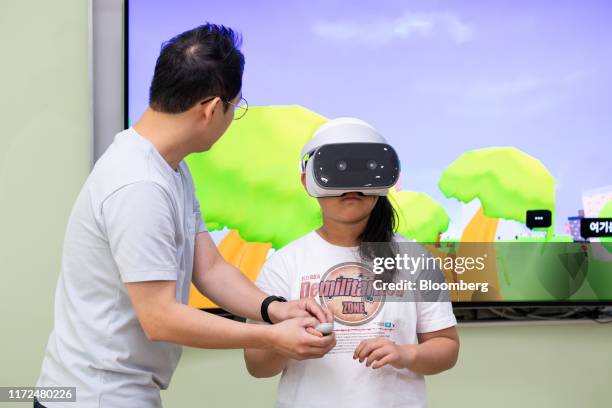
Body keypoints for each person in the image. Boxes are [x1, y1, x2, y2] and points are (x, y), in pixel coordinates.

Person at [35, 24, 334, 408]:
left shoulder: (170, 167)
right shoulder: (138, 185)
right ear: (212, 109)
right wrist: (271, 338)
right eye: (235, 108)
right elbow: (160, 319)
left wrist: (275, 308)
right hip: (94, 398)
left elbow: (209, 268)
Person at [244, 118, 459, 408]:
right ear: (308, 181)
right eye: (337, 169)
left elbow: (447, 348)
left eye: (365, 169)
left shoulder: (415, 258)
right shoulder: (284, 265)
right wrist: (291, 344)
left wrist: (405, 354)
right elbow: (257, 365)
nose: (350, 187)